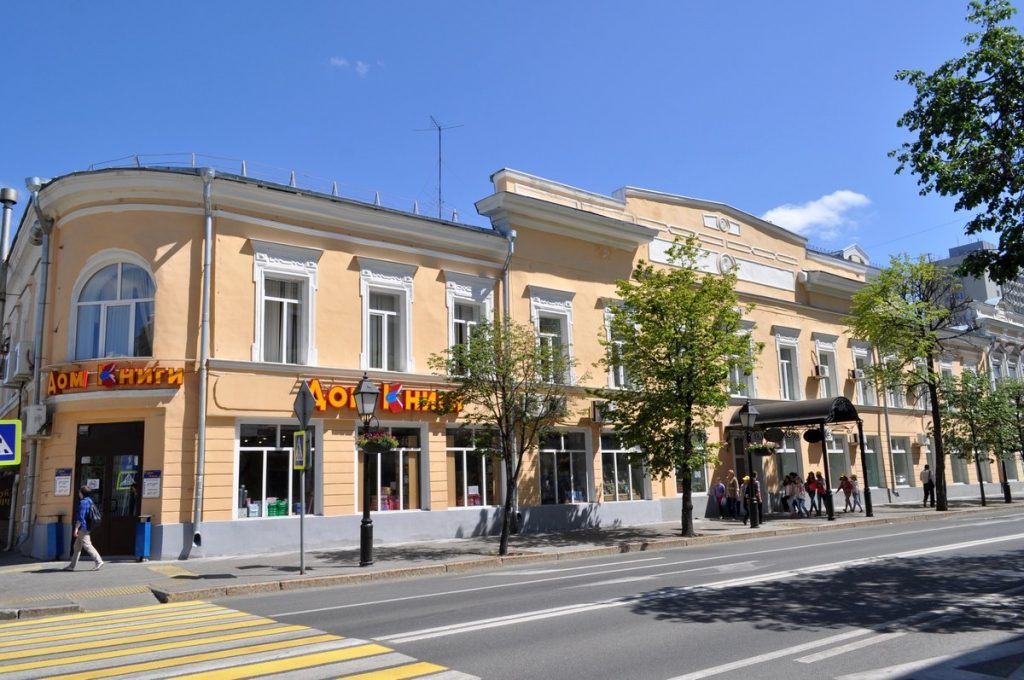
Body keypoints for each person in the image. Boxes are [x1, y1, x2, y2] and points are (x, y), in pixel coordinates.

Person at [64, 485, 104, 571]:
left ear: (81, 493)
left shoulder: (83, 502)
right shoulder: (90, 501)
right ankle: (71, 566)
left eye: (79, 492)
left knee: (87, 545)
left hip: (84, 527)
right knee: (77, 546)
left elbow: (81, 517)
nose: (78, 493)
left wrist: (76, 529)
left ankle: (99, 561)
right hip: (88, 526)